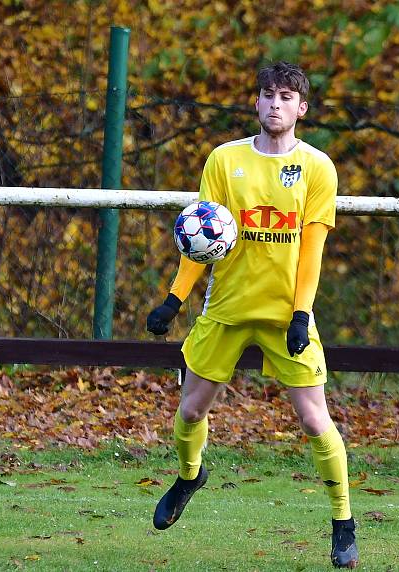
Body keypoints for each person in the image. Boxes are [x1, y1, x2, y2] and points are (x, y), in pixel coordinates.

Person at [146, 61, 358, 569]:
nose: (276, 103)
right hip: (227, 308)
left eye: (287, 96)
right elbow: (201, 238)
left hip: (286, 314)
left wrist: (302, 314)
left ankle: (343, 523)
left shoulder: (317, 168)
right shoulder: (223, 160)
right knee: (191, 412)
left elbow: (312, 251)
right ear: (257, 103)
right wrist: (175, 299)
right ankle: (190, 476)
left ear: (301, 108)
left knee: (313, 419)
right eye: (268, 94)